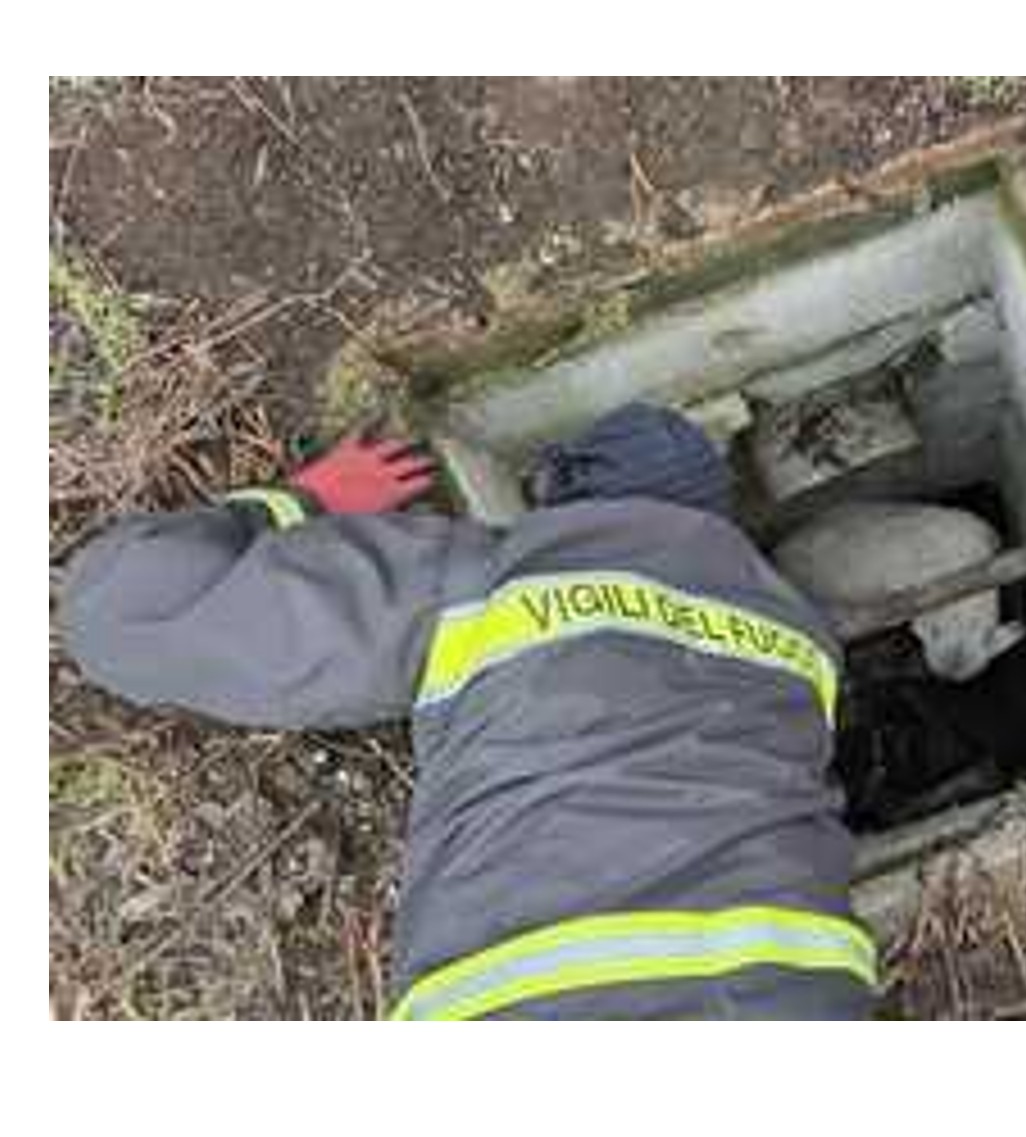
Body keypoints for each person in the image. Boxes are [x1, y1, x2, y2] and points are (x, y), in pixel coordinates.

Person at [59, 403, 876, 1020]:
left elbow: (117, 610)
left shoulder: (482, 585)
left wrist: (296, 504)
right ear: (715, 519)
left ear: (556, 504)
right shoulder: (801, 638)